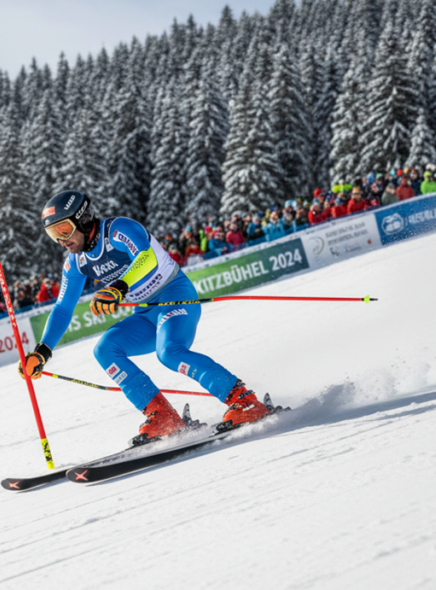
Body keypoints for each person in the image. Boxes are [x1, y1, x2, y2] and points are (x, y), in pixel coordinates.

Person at [20, 190, 272, 446]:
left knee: (170, 352)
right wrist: (42, 350)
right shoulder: (76, 262)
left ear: (83, 219)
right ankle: (163, 416)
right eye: (53, 235)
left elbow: (146, 257)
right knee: (105, 349)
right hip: (145, 314)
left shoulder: (119, 230)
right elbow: (63, 308)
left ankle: (245, 402)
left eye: (63, 230)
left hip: (174, 298)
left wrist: (119, 287)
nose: (61, 240)